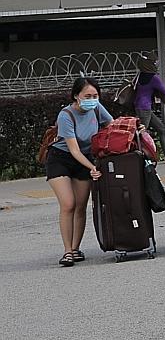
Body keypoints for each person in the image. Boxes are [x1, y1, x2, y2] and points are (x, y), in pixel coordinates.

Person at [46, 78, 112, 266]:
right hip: (61, 158)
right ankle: (67, 251)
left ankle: (75, 249)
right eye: (87, 96)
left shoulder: (97, 108)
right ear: (76, 96)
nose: (92, 99)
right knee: (68, 204)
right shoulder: (66, 115)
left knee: (81, 205)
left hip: (85, 158)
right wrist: (93, 168)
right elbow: (73, 150)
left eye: (95, 96)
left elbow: (110, 125)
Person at [124, 59, 165, 161]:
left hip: (140, 107)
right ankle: (137, 157)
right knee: (141, 133)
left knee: (161, 129)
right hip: (145, 108)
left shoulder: (140, 75)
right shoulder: (154, 78)